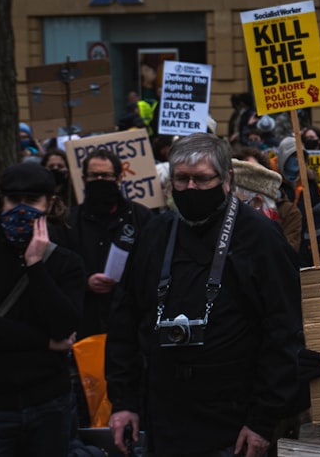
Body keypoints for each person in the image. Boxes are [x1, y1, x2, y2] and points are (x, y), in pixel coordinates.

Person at [105, 133, 302, 457]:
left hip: (234, 420)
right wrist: (124, 401)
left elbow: (285, 332)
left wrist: (263, 419)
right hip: (165, 416)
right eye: (181, 179)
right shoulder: (155, 234)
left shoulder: (260, 239)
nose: (191, 188)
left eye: (201, 179)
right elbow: (125, 321)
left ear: (227, 180)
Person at [0, 162, 85, 456]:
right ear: (0, 203)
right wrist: (45, 342)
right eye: (14, 200)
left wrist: (35, 265)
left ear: (50, 205)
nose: (21, 210)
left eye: (32, 201)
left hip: (50, 403)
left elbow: (65, 325)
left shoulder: (66, 263)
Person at [57, 148, 155, 339]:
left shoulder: (141, 218)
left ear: (119, 179)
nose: (100, 180)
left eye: (106, 175)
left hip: (131, 323)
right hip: (84, 323)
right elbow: (58, 270)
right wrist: (85, 282)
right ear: (84, 180)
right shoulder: (68, 222)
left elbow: (153, 265)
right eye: (94, 176)